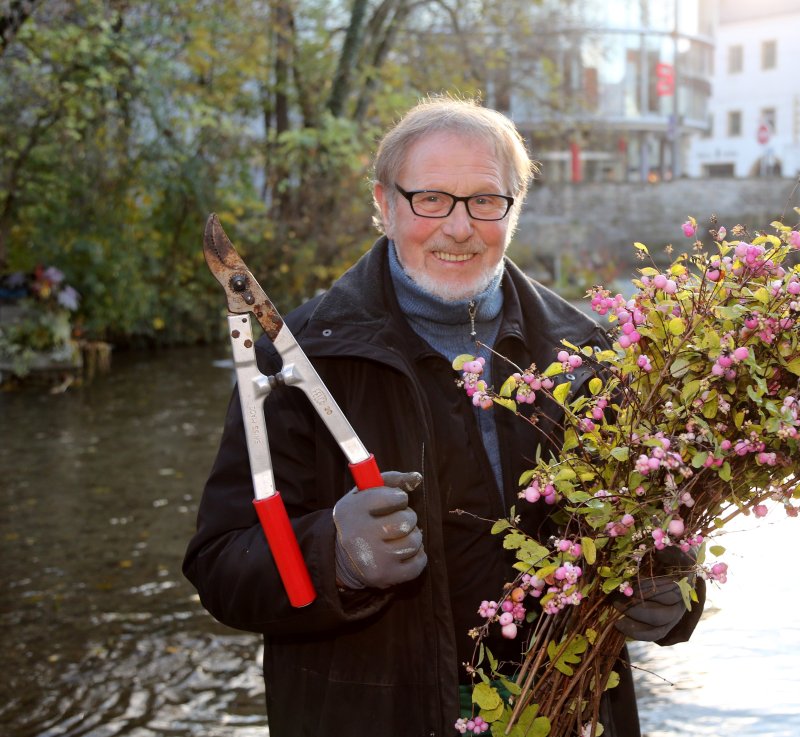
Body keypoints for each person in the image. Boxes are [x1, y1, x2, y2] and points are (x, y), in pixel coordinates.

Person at [183, 96, 703, 737]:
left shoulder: (586, 354)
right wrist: (334, 555)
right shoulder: (299, 357)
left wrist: (675, 589)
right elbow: (220, 565)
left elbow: (663, 520)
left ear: (514, 207)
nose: (459, 228)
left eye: (484, 200)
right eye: (430, 198)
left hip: (569, 714)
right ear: (385, 204)